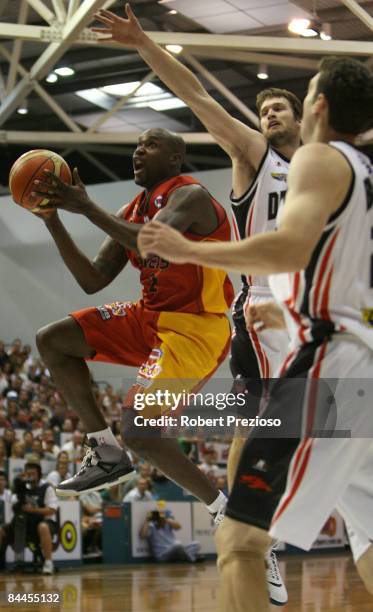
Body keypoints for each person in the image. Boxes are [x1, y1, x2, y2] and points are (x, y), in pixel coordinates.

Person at [138, 57, 373, 610]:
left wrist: (190, 250)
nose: (268, 114)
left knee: (239, 540)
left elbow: (291, 249)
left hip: (328, 358)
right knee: (367, 532)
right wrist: (294, 313)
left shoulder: (318, 158)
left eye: (289, 101)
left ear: (315, 107)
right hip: (352, 348)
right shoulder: (364, 172)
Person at [91, 5, 302, 603]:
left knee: (340, 446)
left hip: (323, 317)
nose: (267, 113)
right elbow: (197, 95)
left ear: (311, 114)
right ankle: (248, 534)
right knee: (252, 444)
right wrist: (142, 44)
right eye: (261, 109)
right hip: (264, 315)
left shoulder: (336, 169)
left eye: (277, 106)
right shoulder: (256, 157)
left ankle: (260, 529)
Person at [32, 128, 233, 526]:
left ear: (175, 158)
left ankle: (224, 510)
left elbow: (147, 244)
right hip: (149, 317)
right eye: (137, 145)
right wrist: (52, 218)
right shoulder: (132, 209)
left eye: (151, 145)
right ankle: (104, 452)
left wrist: (87, 207)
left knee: (141, 431)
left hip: (195, 328)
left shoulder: (190, 196)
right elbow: (92, 279)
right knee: (53, 340)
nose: (139, 151)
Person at [0, 462, 58, 575]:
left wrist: (34, 510)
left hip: (44, 522)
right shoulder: (22, 487)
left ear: (39, 474)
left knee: (43, 526)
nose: (30, 477)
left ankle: (48, 563)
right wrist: (17, 483)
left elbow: (52, 509)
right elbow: (14, 503)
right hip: (25, 524)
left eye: (33, 474)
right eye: (28, 474)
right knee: (1, 530)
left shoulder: (46, 488)